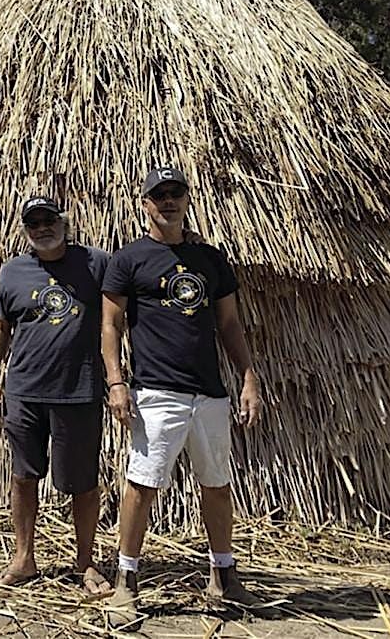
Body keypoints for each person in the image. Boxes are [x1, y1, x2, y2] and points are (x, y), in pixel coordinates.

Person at [100, 166, 263, 627]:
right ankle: (126, 581)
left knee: (216, 485)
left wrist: (248, 378)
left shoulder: (211, 259)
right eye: (159, 195)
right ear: (145, 203)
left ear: (187, 199)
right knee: (142, 484)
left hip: (209, 394)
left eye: (175, 193)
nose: (167, 201)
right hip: (156, 391)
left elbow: (230, 325)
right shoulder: (129, 259)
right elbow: (110, 326)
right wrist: (116, 381)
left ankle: (223, 575)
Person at [0, 195, 113, 596]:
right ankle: (23, 558)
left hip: (78, 390)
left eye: (49, 220)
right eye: (33, 223)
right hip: (24, 391)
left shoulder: (96, 263)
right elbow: (0, 326)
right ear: (26, 229)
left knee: (82, 482)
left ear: (64, 222)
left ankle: (86, 562)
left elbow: (123, 307)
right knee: (24, 476)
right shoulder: (14, 272)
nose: (42, 228)